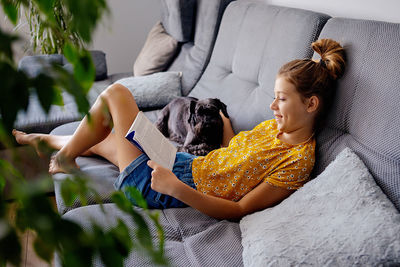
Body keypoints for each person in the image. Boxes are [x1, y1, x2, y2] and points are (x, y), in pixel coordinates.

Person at [13, 39, 346, 220]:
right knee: (106, 139)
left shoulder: (298, 161)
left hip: (164, 187)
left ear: (311, 104)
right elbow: (232, 156)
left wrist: (174, 187)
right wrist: (226, 124)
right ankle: (47, 139)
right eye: (274, 98)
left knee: (117, 94)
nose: (272, 106)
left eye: (281, 99)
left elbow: (239, 209)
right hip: (184, 162)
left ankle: (64, 159)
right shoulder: (274, 128)